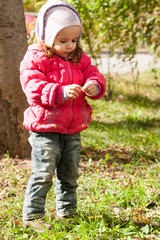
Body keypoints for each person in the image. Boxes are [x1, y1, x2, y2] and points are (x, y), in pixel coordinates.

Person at [20, 0, 106, 232]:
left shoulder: (79, 58)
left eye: (74, 40)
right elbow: (33, 86)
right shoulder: (36, 58)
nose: (70, 45)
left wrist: (94, 84)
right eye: (63, 40)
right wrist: (59, 91)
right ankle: (33, 214)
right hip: (45, 127)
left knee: (70, 173)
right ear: (46, 36)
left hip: (72, 127)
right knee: (44, 172)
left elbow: (93, 73)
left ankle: (67, 212)